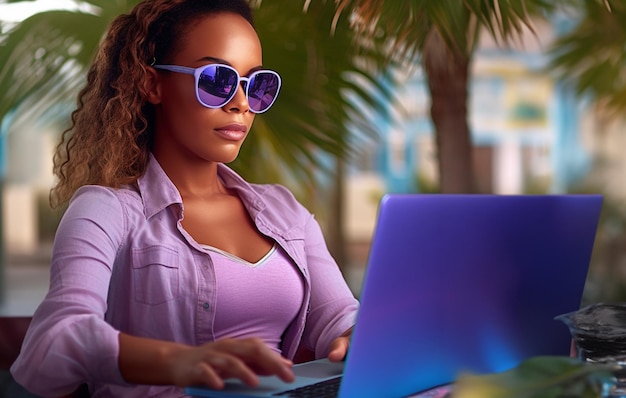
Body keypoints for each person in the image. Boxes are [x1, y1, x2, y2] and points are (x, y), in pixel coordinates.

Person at [10, 0, 359, 396]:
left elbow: (341, 316)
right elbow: (54, 341)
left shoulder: (284, 211)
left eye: (256, 85)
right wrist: (180, 361)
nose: (241, 103)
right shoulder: (106, 211)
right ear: (152, 84)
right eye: (216, 80)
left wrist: (360, 336)